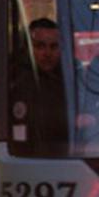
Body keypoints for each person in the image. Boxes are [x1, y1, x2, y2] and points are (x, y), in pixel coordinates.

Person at [10, 18, 71, 155]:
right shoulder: (13, 81)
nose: (47, 53)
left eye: (54, 46)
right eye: (40, 46)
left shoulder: (70, 83)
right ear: (28, 48)